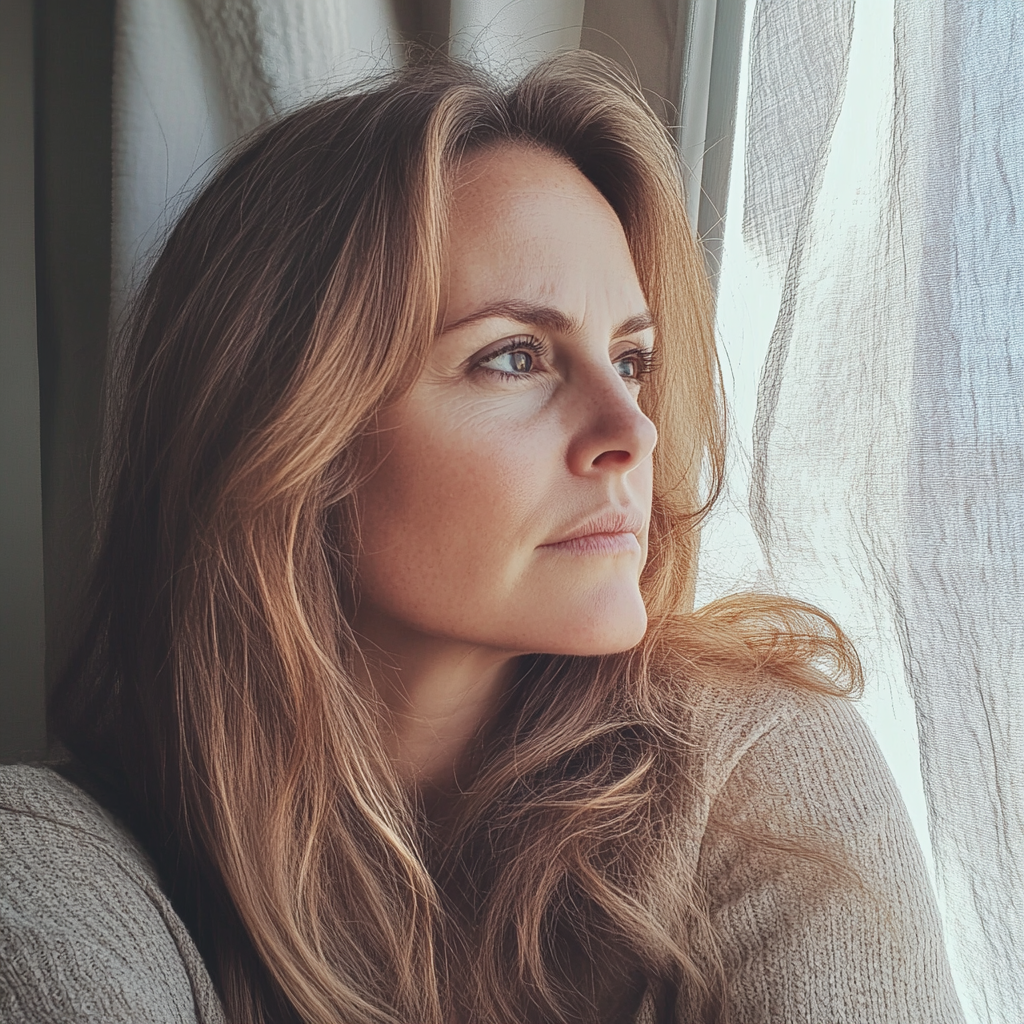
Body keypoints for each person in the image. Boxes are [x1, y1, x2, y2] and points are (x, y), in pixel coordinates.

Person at [0, 52, 964, 1024]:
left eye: (632, 360)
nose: (633, 432)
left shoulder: (753, 769)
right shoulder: (61, 871)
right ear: (287, 432)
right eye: (514, 356)